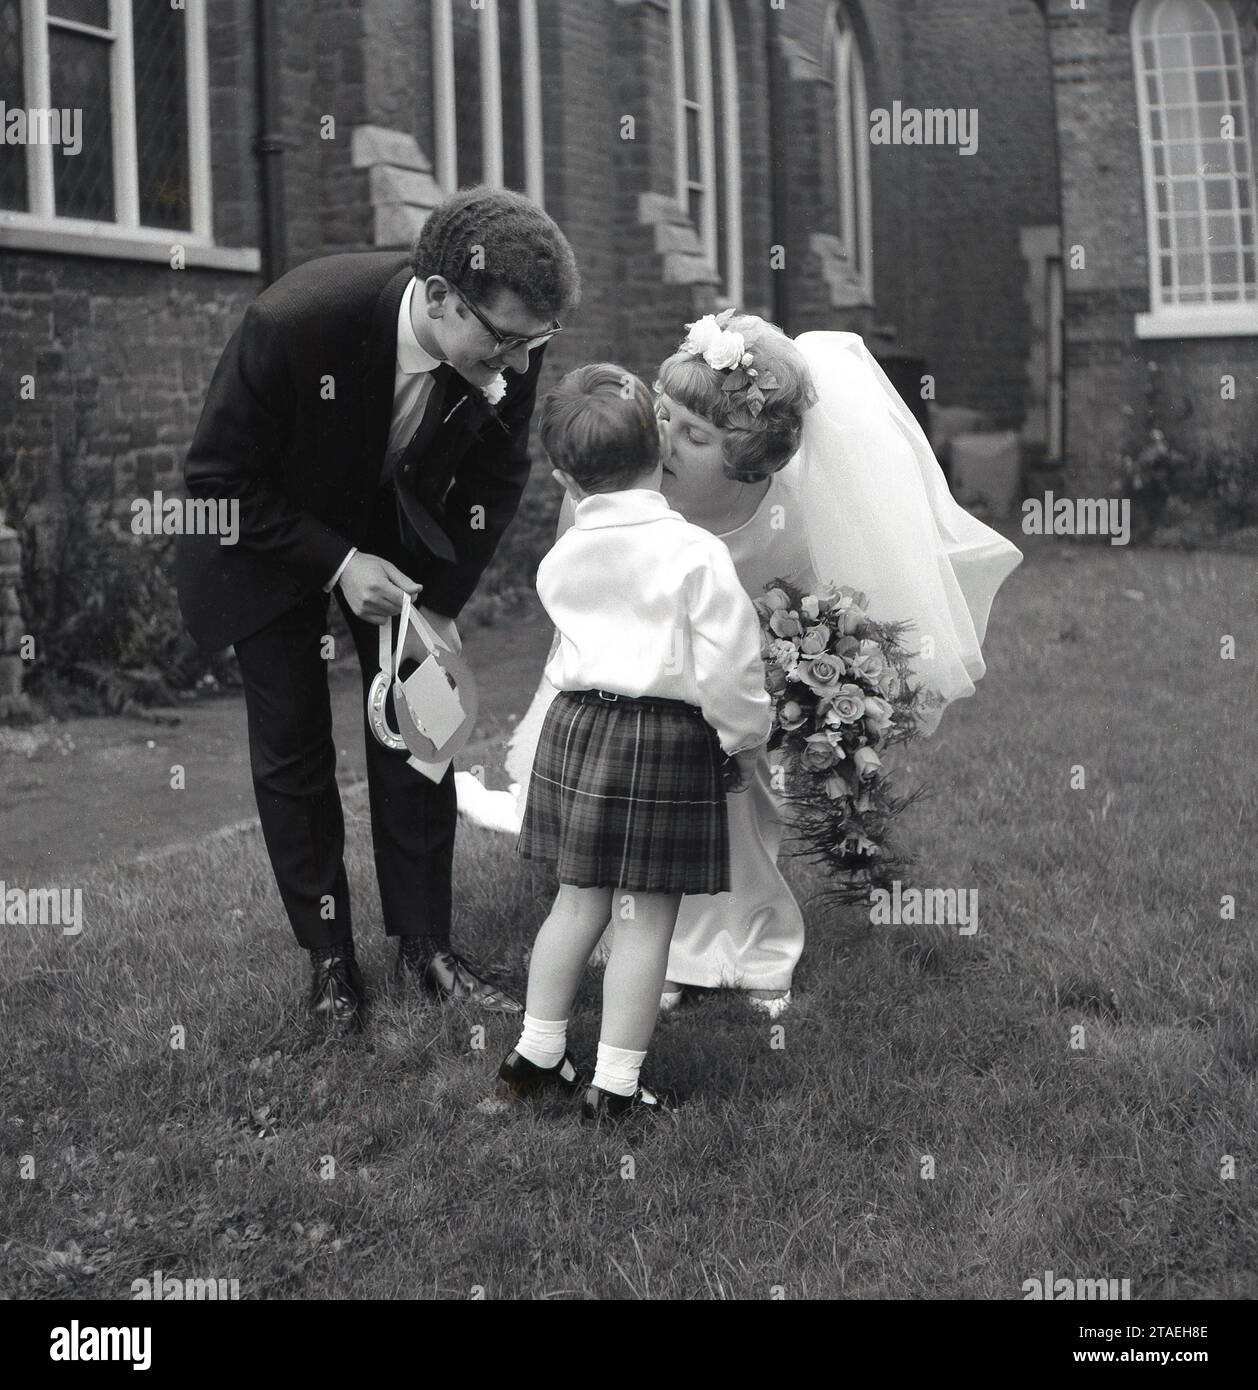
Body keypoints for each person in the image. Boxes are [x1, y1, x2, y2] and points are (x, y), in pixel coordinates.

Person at [473, 316, 1022, 1018]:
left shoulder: (789, 515)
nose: (664, 442)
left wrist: (789, 682)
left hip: (737, 679)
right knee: (624, 810)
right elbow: (581, 594)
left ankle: (748, 941)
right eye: (664, 417)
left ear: (749, 463)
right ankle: (638, 943)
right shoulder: (621, 483)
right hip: (628, 677)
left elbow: (815, 610)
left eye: (694, 437)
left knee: (736, 804)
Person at [175, 186, 580, 1031]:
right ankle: (330, 963)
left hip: (405, 540)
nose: (514, 364)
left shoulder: (511, 335)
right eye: (501, 341)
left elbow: (496, 481)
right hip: (267, 537)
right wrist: (336, 563)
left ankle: (427, 948)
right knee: (293, 747)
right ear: (437, 298)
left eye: (532, 344)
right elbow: (214, 484)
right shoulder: (297, 321)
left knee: (426, 728)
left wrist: (441, 603)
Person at [494, 364, 771, 1122]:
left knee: (575, 903)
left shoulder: (564, 557)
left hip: (577, 727)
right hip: (664, 738)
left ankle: (535, 1053)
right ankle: (615, 1087)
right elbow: (728, 666)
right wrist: (746, 738)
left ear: (564, 477)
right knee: (645, 917)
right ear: (661, 450)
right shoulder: (695, 554)